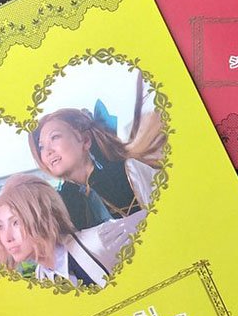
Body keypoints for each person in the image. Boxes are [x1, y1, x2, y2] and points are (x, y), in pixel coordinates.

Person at [29, 91, 165, 231]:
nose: (47, 151)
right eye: (41, 146)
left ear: (86, 140)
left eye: (54, 137)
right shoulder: (58, 208)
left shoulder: (129, 171)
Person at [0, 174, 142, 287]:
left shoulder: (99, 241)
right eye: (0, 226)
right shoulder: (42, 276)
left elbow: (153, 221)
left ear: (41, 217)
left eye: (15, 223)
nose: (7, 238)